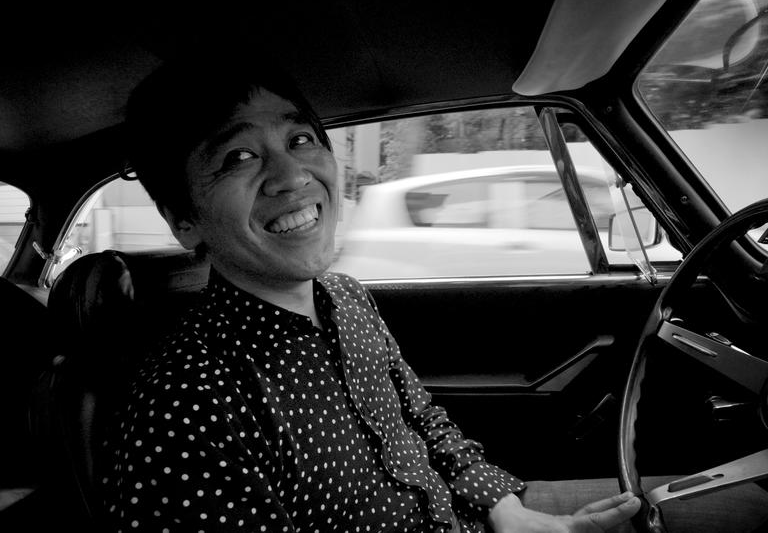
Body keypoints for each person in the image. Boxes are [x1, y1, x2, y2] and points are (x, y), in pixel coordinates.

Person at [100, 49, 767, 532]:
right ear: (184, 219)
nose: (291, 174)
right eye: (237, 157)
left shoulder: (347, 298)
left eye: (301, 138)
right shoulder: (187, 402)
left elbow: (424, 424)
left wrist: (514, 515)